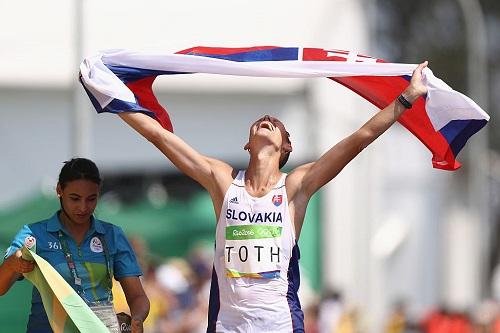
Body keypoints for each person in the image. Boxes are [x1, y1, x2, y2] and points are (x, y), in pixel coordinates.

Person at [112, 61, 429, 332]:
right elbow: (159, 136)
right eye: (261, 122)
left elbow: (359, 139)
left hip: (278, 323)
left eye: (277, 124)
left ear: (285, 147)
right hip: (228, 323)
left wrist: (406, 98)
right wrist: (110, 94)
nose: (268, 120)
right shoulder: (222, 181)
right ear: (247, 144)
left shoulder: (296, 187)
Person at [0, 158, 150, 333]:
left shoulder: (113, 235)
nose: (83, 207)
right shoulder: (34, 234)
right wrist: (12, 264)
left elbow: (138, 296)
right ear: (59, 191)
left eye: (91, 199)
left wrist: (138, 318)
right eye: (75, 198)